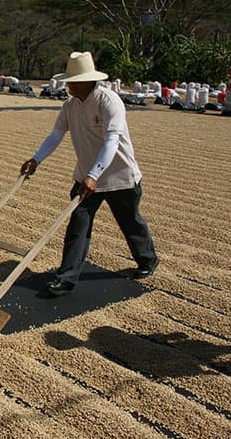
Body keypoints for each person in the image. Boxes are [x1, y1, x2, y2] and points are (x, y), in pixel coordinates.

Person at [20, 51, 159, 296]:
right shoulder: (70, 106)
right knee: (78, 225)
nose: (69, 86)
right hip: (85, 177)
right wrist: (36, 159)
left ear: (86, 81)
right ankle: (66, 278)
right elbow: (56, 134)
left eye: (73, 81)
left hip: (119, 176)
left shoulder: (108, 101)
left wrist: (95, 174)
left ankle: (147, 260)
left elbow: (112, 141)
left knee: (129, 221)